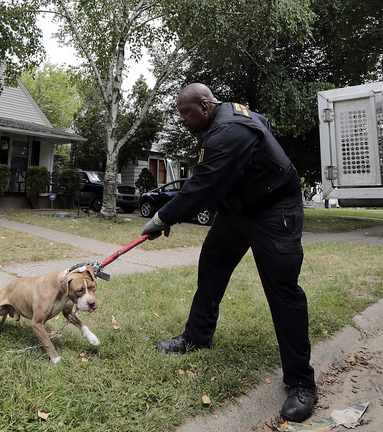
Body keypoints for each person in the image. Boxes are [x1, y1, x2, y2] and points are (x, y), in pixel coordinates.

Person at [141, 83, 317, 422]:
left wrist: (161, 218)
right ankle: (197, 338)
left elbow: (201, 188)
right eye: (178, 113)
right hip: (239, 210)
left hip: (274, 209)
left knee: (282, 291)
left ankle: (301, 382)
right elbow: (263, 123)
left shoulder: (228, 132)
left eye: (185, 113)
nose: (181, 120)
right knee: (212, 266)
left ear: (206, 106)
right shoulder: (230, 115)